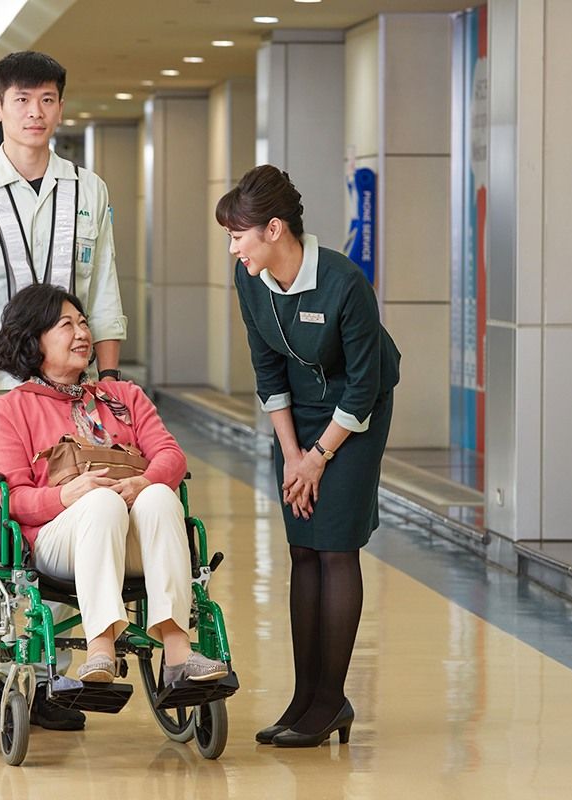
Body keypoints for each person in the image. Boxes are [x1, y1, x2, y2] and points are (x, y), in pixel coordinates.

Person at [0, 50, 127, 731]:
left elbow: (103, 291)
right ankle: (16, 668)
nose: (35, 113)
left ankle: (58, 673)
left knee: (80, 509)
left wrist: (106, 378)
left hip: (77, 387)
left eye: (47, 100)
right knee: (9, 525)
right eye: (22, 101)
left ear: (60, 107)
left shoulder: (89, 190)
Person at [216, 165, 400, 748]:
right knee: (302, 549)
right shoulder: (250, 280)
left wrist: (320, 457)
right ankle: (305, 697)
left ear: (274, 229)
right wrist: (293, 452)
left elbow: (365, 384)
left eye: (238, 234)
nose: (232, 247)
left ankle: (331, 701)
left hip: (356, 415)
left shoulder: (345, 283)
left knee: (335, 548)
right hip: (296, 417)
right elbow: (266, 368)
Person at [0, 284, 227, 686]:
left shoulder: (123, 396)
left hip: (134, 539)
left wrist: (143, 482)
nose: (82, 333)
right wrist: (67, 494)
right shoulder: (11, 410)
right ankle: (100, 647)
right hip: (58, 542)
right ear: (34, 340)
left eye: (83, 323)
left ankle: (178, 651)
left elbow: (171, 455)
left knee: (160, 497)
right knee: (101, 503)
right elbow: (15, 500)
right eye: (66, 325)